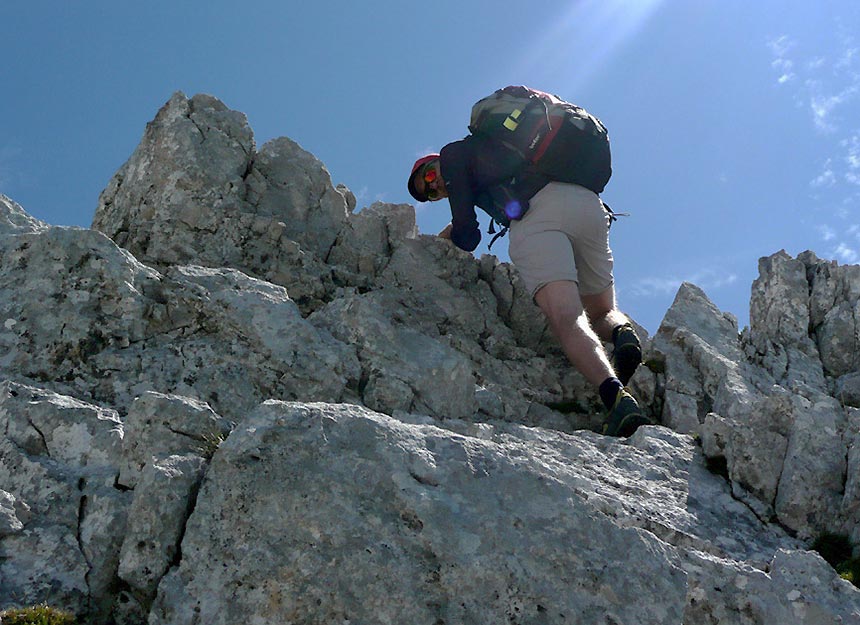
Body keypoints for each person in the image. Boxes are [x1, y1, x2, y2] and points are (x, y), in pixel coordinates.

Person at [407, 98, 651, 437]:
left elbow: (468, 235)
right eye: (429, 194)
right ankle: (624, 336)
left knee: (567, 318)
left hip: (538, 218)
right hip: (588, 204)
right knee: (602, 311)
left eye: (429, 176)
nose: (434, 186)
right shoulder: (501, 147)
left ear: (436, 162)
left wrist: (446, 236)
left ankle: (618, 401)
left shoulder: (453, 157)